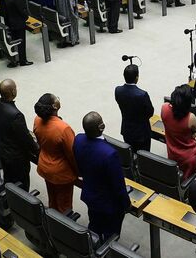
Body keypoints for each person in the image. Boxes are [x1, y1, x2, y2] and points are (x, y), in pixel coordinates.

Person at [73, 112, 131, 240]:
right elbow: (118, 185)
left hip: (90, 195)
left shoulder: (78, 139)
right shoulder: (110, 154)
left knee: (94, 225)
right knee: (111, 235)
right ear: (102, 127)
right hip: (109, 203)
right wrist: (126, 204)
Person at [33, 93, 79, 213]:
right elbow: (72, 154)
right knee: (64, 207)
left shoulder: (37, 120)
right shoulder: (63, 129)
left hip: (45, 166)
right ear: (54, 106)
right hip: (61, 173)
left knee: (52, 200)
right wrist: (78, 171)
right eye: (56, 99)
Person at [0, 79, 39, 191]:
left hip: (3, 150)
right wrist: (37, 149)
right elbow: (25, 138)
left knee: (8, 179)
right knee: (22, 185)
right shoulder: (16, 115)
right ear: (13, 92)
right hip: (17, 157)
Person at [161, 84, 196, 179]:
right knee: (189, 179)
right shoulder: (190, 118)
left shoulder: (164, 108)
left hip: (172, 150)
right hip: (188, 156)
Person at [114, 64, 155, 152]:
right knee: (144, 156)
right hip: (142, 134)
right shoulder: (142, 95)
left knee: (130, 153)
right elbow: (150, 112)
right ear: (137, 78)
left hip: (127, 130)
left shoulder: (118, 90)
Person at [4, 0, 33, 67]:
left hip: (11, 22)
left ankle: (16, 59)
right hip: (19, 22)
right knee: (22, 42)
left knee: (16, 40)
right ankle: (23, 60)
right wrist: (26, 17)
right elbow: (21, 11)